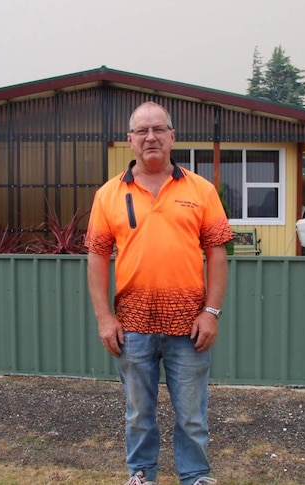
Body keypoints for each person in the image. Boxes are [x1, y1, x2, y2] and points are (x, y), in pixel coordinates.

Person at [85, 101, 232, 485]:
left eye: (158, 129)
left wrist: (211, 312)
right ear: (130, 140)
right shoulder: (108, 195)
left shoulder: (201, 190)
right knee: (137, 411)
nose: (150, 137)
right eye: (142, 131)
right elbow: (98, 258)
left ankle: (196, 475)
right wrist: (104, 318)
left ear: (172, 136)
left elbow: (217, 252)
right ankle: (141, 473)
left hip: (190, 326)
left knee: (191, 413)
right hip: (132, 326)